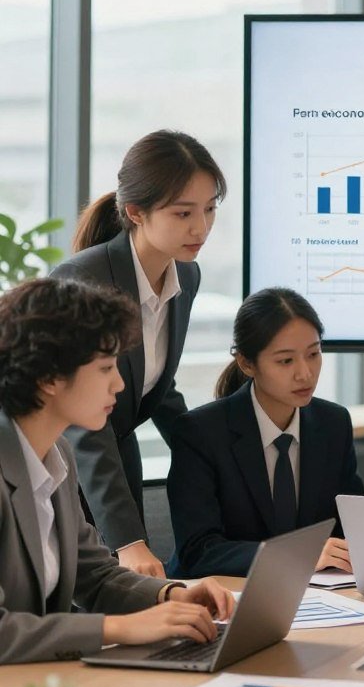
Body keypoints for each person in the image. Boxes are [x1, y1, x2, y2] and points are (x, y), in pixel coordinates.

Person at [0, 277, 234, 665]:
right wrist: (118, 629)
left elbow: (96, 576)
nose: (120, 383)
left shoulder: (55, 453)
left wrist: (171, 595)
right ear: (48, 379)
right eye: (106, 367)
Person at [51, 130, 227, 575]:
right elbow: (81, 418)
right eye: (183, 213)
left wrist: (214, 458)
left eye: (209, 209)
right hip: (59, 467)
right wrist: (127, 539)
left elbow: (156, 387)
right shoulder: (83, 280)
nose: (201, 227)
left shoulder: (185, 277)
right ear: (136, 212)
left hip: (116, 455)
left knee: (129, 602)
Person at [167, 288, 364, 578]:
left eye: (313, 354)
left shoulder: (333, 423)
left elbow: (350, 527)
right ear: (247, 363)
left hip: (316, 594)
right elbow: (199, 550)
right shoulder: (200, 433)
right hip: (221, 596)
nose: (305, 373)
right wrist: (296, 556)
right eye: (286, 361)